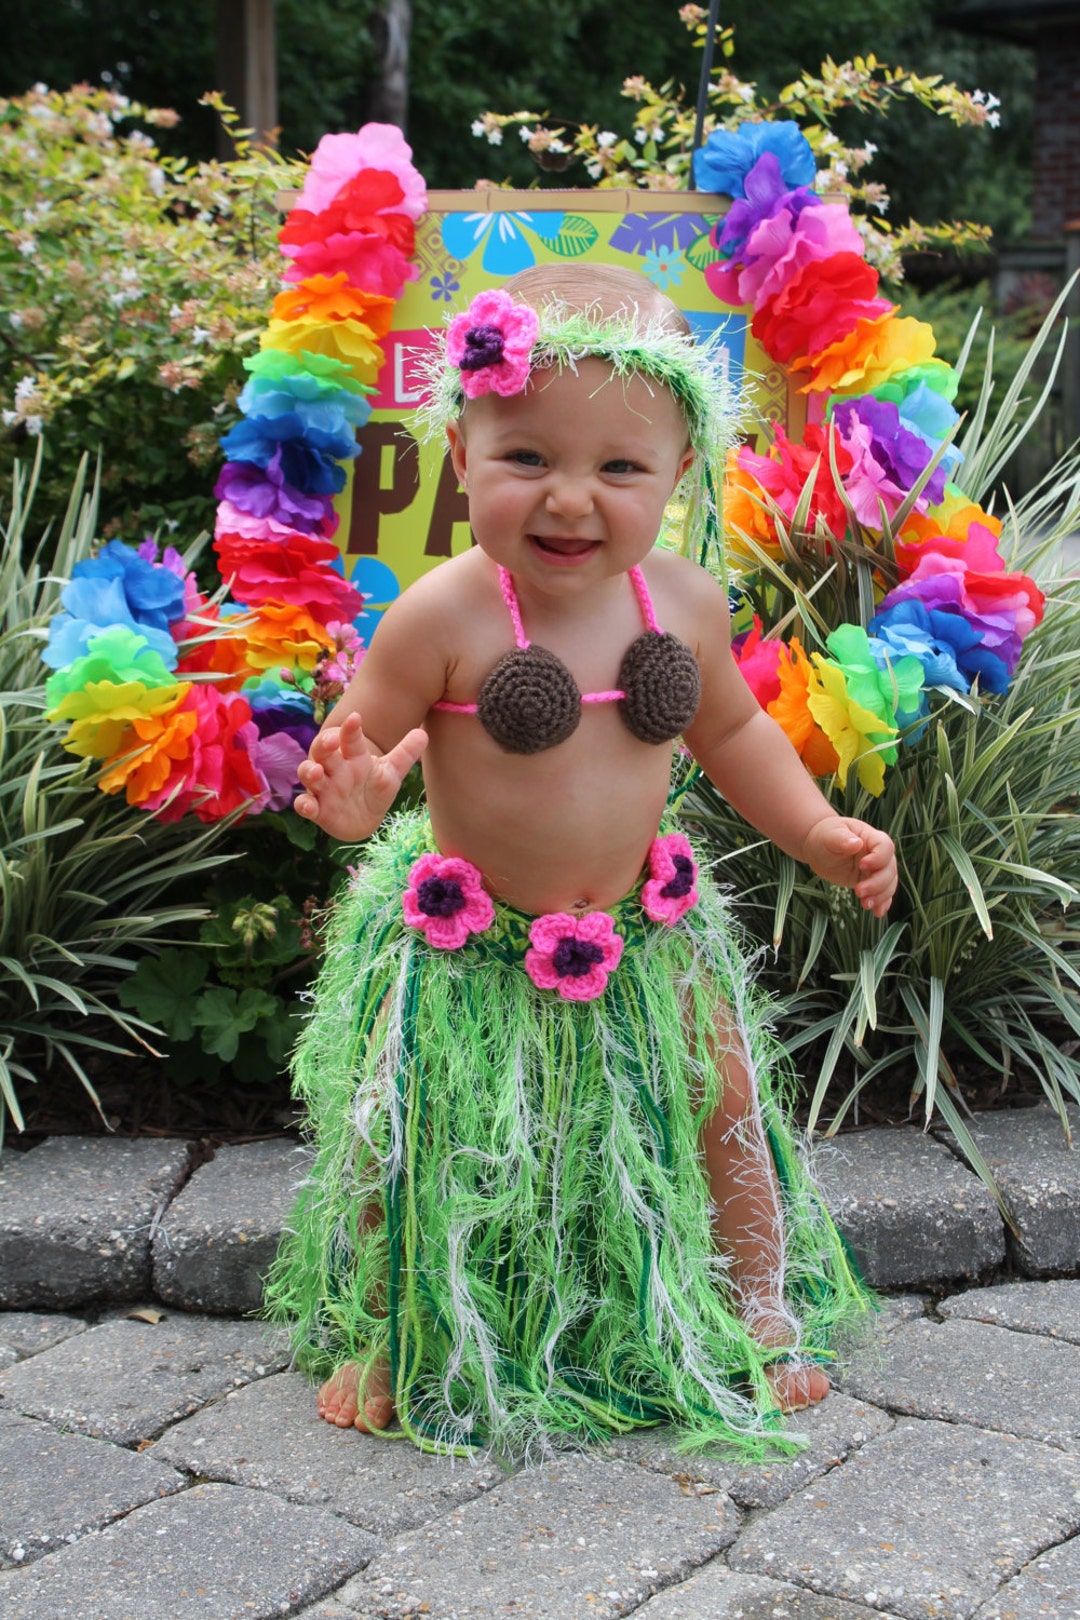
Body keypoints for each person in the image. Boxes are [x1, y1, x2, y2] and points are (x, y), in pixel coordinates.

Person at [265, 264, 896, 1461]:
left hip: (648, 943)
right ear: (461, 453)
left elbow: (736, 734)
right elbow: (367, 765)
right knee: (403, 1129)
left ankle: (755, 1301)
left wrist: (819, 832)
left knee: (724, 1102)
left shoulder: (683, 605)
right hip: (475, 949)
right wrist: (350, 804)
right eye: (526, 460)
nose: (570, 499)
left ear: (679, 475)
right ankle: (391, 1323)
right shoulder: (440, 619)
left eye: (618, 468)